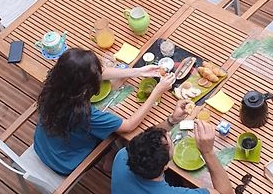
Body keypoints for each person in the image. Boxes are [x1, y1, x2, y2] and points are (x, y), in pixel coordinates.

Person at [34, 47, 176, 175]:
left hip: (42, 145)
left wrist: (138, 71)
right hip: (65, 162)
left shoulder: (55, 85)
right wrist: (157, 91)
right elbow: (129, 125)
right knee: (121, 136)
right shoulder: (84, 113)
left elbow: (98, 74)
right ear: (85, 85)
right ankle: (109, 161)